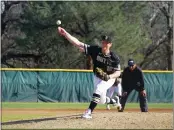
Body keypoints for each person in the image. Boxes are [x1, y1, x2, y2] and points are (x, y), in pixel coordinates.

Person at [58, 27, 121, 119]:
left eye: (106, 42)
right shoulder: (96, 50)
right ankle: (114, 101)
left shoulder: (114, 57)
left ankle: (88, 112)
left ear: (110, 44)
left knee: (98, 89)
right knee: (101, 100)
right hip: (97, 76)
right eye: (103, 42)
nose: (104, 43)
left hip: (110, 78)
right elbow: (78, 43)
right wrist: (65, 34)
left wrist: (109, 76)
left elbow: (118, 72)